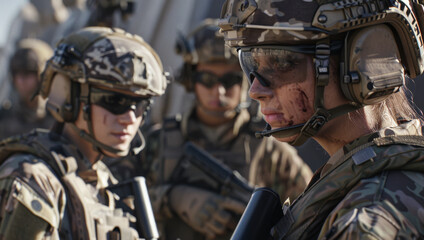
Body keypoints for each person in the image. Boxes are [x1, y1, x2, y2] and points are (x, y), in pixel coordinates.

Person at [218, 0, 424, 239]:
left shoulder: (367, 222)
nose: (255, 90)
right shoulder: (364, 177)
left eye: (283, 62)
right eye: (252, 64)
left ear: (364, 61)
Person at [136, 19, 313, 240]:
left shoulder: (269, 151)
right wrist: (172, 198)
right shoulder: (158, 143)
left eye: (229, 80)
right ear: (191, 80)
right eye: (207, 79)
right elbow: (120, 203)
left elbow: (311, 212)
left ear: (246, 82)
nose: (218, 92)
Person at [0, 26, 167, 239]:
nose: (130, 118)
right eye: (114, 102)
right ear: (69, 98)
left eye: (141, 105)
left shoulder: (101, 178)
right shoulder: (35, 180)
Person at [0, 38, 55, 139]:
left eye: (27, 73)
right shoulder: (5, 117)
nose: (20, 80)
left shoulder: (57, 120)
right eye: (16, 73)